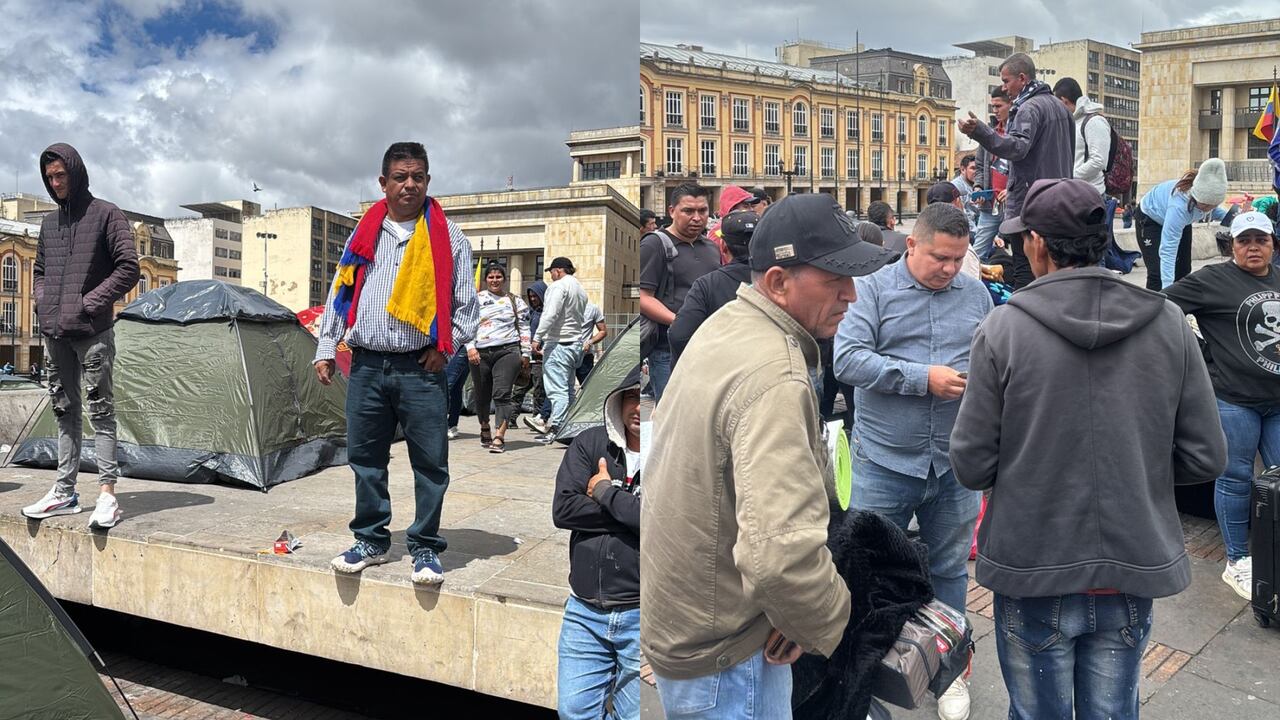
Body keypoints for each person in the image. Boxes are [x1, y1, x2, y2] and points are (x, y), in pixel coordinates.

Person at [950, 178, 1227, 720]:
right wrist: (1137, 469)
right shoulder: (1167, 322)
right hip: (1131, 556)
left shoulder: (1003, 327)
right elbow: (1205, 456)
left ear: (1038, 244)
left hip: (1033, 559)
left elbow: (972, 462)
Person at [642, 193, 896, 719]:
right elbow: (781, 558)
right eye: (834, 278)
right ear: (779, 282)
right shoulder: (774, 374)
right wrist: (828, 622)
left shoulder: (729, 323)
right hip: (726, 652)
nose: (851, 294)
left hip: (692, 622)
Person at [833, 202, 992, 720]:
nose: (949, 269)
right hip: (885, 461)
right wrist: (922, 377)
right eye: (939, 258)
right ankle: (864, 674)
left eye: (958, 259)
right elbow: (848, 359)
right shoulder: (873, 290)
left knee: (948, 572)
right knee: (867, 573)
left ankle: (948, 674)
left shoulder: (976, 294)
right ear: (911, 245)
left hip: (953, 464)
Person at [314, 141, 479, 585]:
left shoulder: (450, 237)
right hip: (366, 365)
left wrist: (444, 348)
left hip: (420, 369)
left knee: (430, 462)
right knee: (366, 458)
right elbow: (341, 291)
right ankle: (370, 539)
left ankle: (425, 545)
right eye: (401, 177)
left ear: (428, 180)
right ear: (383, 182)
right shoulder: (362, 234)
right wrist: (326, 346)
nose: (410, 184)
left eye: (418, 176)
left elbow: (467, 307)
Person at [21, 143, 140, 529]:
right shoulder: (48, 224)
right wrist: (43, 302)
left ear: (76, 172)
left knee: (101, 411)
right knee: (63, 412)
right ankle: (64, 492)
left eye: (61, 175)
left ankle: (107, 494)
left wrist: (90, 303)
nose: (55, 183)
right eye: (50, 177)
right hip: (55, 333)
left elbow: (129, 268)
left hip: (92, 332)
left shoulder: (107, 214)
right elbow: (39, 271)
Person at [1164, 210, 1280, 599]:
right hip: (1235, 401)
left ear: (1272, 245)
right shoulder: (1213, 280)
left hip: (1278, 403)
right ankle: (1238, 560)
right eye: (1244, 241)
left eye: (1260, 240)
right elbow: (1163, 307)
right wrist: (1198, 355)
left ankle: (1273, 555)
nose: (1252, 248)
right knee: (1234, 479)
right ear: (1233, 246)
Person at [553, 366, 642, 720]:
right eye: (633, 396)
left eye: (648, 399)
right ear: (619, 400)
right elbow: (563, 509)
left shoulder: (673, 456)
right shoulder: (590, 444)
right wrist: (632, 508)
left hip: (643, 613)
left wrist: (605, 492)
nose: (639, 408)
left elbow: (664, 523)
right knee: (574, 712)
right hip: (584, 610)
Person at [959, 52, 1074, 290]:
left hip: (1030, 205)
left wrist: (980, 132)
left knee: (1025, 269)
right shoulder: (1062, 109)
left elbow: (1017, 148)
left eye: (1006, 81)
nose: (1004, 87)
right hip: (1059, 202)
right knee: (1054, 270)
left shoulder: (1028, 108)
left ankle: (1025, 319)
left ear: (1022, 78)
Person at [638, 183, 718, 403]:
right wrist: (681, 321)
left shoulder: (711, 247)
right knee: (672, 416)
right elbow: (643, 297)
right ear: (671, 211)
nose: (697, 218)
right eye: (688, 211)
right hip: (668, 350)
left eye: (702, 211)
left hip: (708, 347)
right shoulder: (654, 244)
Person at [667, 209, 757, 367]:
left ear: (723, 246)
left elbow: (679, 336)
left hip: (722, 374)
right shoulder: (783, 281)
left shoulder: (707, 285)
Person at [467, 263, 531, 454]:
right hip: (480, 353)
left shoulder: (516, 301)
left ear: (505, 279)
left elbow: (525, 327)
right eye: (491, 277)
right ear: (486, 279)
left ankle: (499, 436)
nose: (495, 280)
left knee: (502, 393)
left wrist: (526, 353)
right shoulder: (475, 299)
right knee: (481, 394)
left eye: (498, 277)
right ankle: (485, 426)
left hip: (508, 351)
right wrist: (470, 347)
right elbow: (467, 325)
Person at [1135, 159, 1229, 289]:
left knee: (1183, 269)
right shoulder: (1179, 207)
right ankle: (1156, 305)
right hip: (1150, 219)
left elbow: (1220, 213)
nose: (1206, 209)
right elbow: (1168, 250)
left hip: (1181, 219)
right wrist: (1167, 289)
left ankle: (1181, 304)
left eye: (1212, 206)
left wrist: (1238, 219)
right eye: (1204, 205)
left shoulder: (1208, 198)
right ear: (1196, 197)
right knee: (1157, 273)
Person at [528, 257, 588, 443]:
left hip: (559, 343)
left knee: (557, 390)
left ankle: (557, 428)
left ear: (558, 270)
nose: (551, 276)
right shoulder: (580, 289)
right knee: (568, 389)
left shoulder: (558, 286)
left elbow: (550, 313)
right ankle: (569, 428)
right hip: (575, 343)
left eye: (552, 272)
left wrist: (538, 337)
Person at [1052, 77, 1110, 197]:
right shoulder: (1072, 122)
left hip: (1089, 195)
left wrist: (1069, 176)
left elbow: (1099, 161)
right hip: (1071, 192)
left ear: (1064, 101)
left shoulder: (1094, 121)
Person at [973, 87, 1012, 261]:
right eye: (993, 107)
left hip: (1014, 205)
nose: (995, 111)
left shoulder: (1020, 133)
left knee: (1021, 255)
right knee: (976, 254)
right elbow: (980, 166)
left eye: (999, 106)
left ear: (1011, 104)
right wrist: (979, 186)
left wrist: (1013, 189)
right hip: (990, 205)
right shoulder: (989, 133)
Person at [709, 185, 762, 264]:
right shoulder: (718, 231)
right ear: (732, 208)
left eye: (752, 206)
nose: (751, 210)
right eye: (746, 206)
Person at [575, 302, 608, 386]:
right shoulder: (562, 307)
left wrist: (589, 342)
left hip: (585, 357)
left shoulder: (592, 309)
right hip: (565, 356)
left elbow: (603, 331)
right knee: (563, 391)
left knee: (587, 388)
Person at [951, 155, 979, 234]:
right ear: (963, 170)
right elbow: (964, 216)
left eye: (978, 168)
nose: (977, 172)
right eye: (973, 168)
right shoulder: (956, 187)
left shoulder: (978, 185)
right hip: (964, 231)